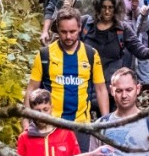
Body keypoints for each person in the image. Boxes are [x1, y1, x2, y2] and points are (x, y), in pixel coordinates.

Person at [29, 9, 109, 147]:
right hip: (51, 124)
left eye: (72, 31)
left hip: (81, 125)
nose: (68, 36)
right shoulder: (45, 55)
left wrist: (106, 123)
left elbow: (101, 89)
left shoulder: (91, 54)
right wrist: (26, 122)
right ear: (57, 30)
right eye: (63, 32)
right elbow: (31, 89)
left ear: (79, 28)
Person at [82, 0, 149, 83]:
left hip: (111, 82)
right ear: (98, 7)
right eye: (103, 7)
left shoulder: (122, 29)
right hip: (85, 79)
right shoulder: (86, 24)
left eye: (110, 7)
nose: (107, 11)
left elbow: (140, 50)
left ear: (115, 8)